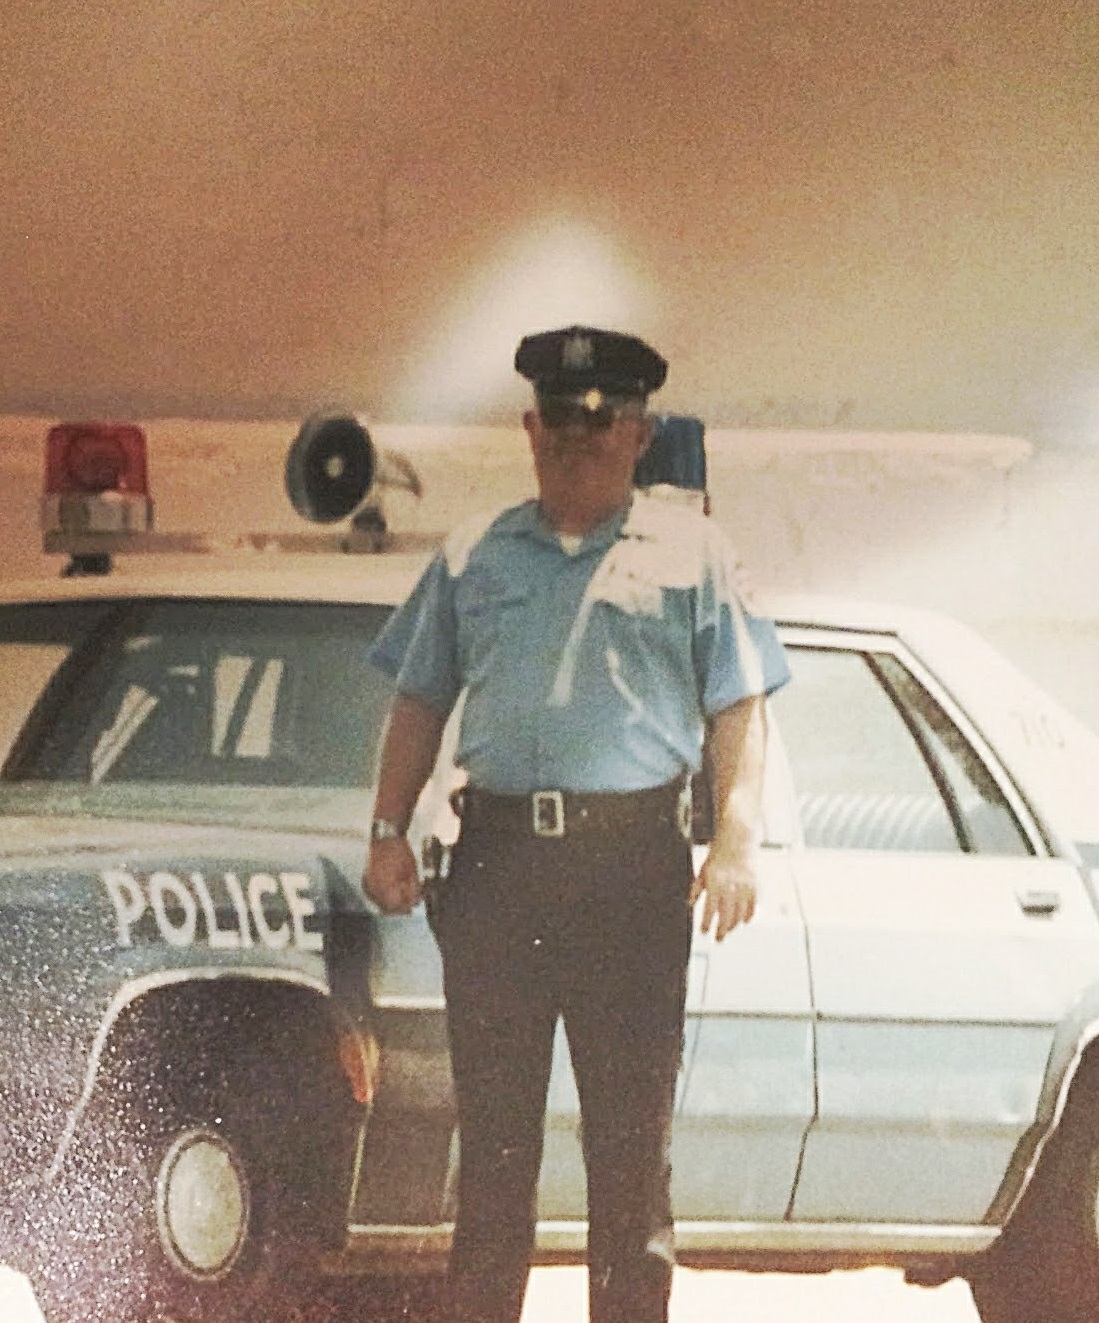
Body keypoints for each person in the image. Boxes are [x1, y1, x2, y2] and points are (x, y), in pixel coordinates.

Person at [362, 325, 790, 1323]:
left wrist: (733, 840)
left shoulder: (693, 557)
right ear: (528, 428)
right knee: (494, 1154)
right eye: (557, 422)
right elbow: (419, 698)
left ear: (639, 436)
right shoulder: (475, 552)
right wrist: (387, 828)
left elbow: (739, 707)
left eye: (600, 425)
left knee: (628, 1159)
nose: (575, 440)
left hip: (628, 871)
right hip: (501, 868)